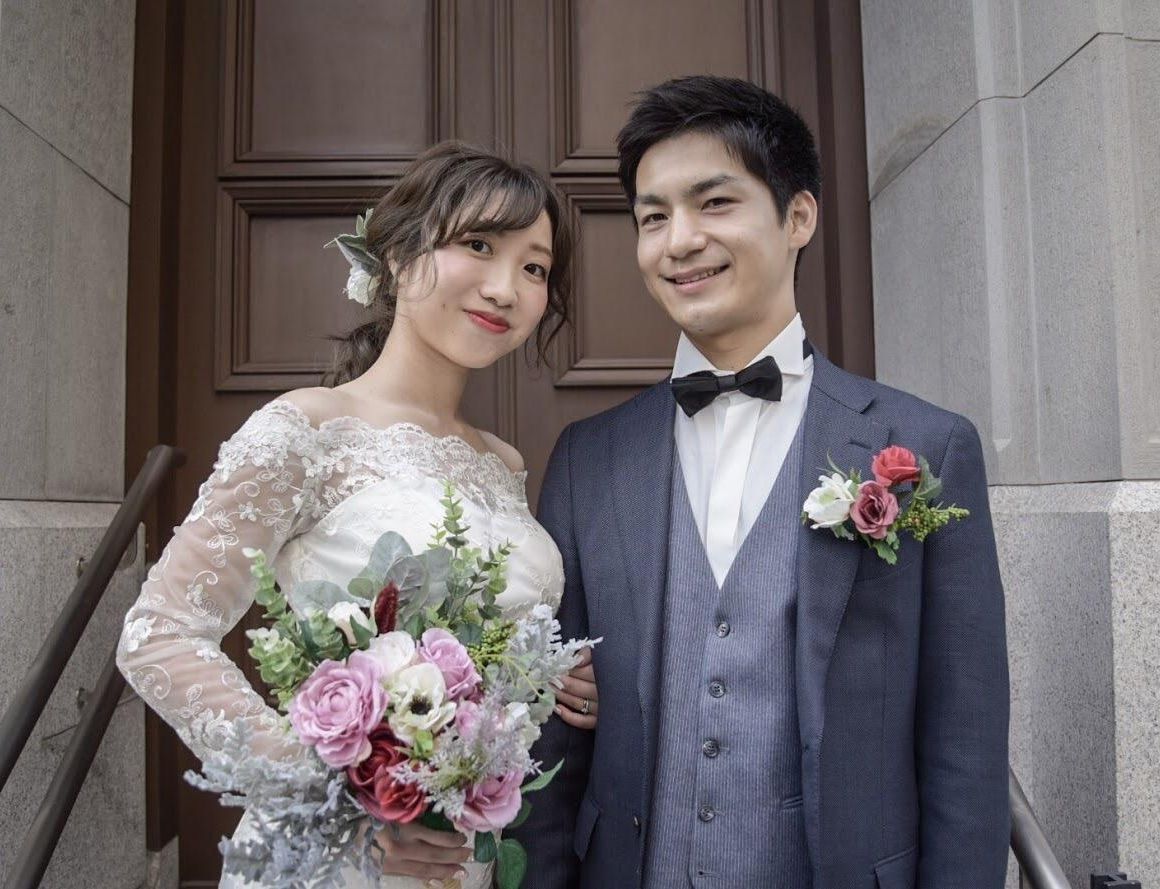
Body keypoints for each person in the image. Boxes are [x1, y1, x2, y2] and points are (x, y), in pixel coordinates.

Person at [511, 75, 1010, 889]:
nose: (678, 241)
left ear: (798, 217)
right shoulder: (587, 460)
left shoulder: (925, 446)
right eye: (652, 217)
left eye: (714, 203)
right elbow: (552, 740)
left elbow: (967, 738)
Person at [117, 141, 599, 888]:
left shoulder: (502, 464)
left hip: (456, 860)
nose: (507, 288)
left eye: (534, 268)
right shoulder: (306, 430)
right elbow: (158, 634)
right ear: (399, 257)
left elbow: (488, 650)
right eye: (479, 245)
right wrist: (346, 795)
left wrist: (557, 674)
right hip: (333, 857)